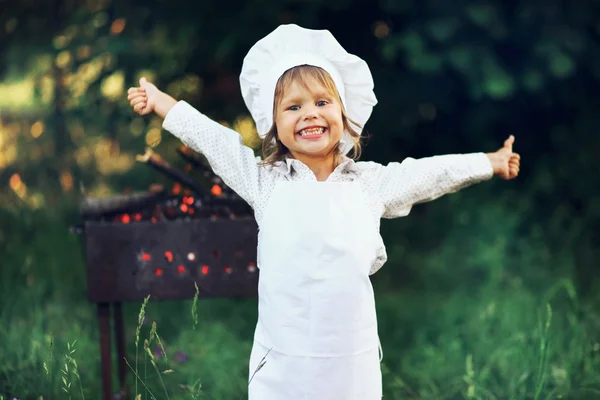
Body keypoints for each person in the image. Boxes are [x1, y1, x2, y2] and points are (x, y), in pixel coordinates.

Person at [127, 24, 520, 400]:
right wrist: (161, 101)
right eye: (293, 107)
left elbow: (428, 173)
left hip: (351, 365)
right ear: (274, 125)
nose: (310, 114)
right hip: (282, 365)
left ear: (344, 113)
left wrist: (488, 162)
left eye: (321, 102)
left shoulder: (368, 184)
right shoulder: (265, 184)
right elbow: (215, 141)